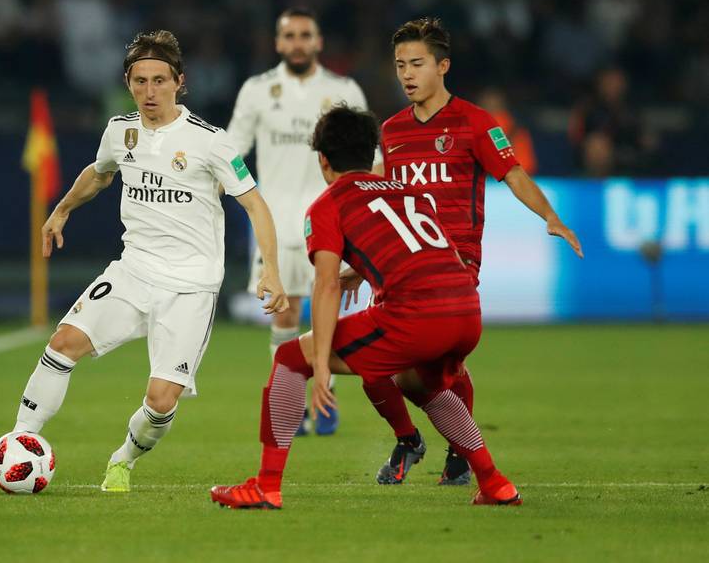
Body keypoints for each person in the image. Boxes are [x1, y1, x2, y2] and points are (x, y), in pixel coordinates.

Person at [0, 30, 288, 492]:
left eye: (159, 80)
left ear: (179, 82)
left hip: (190, 288)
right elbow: (100, 173)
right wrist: (62, 209)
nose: (150, 91)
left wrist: (270, 268)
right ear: (128, 83)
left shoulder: (211, 142)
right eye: (140, 81)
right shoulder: (120, 130)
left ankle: (123, 459)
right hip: (133, 271)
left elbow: (255, 203)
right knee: (63, 342)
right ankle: (17, 440)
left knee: (161, 400)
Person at [210, 105, 521, 509]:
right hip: (466, 309)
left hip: (416, 315)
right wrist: (359, 273)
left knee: (289, 357)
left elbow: (324, 285)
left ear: (323, 160)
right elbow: (421, 249)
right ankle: (495, 483)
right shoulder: (409, 192)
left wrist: (319, 363)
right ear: (370, 152)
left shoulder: (328, 205)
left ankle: (266, 485)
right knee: (421, 382)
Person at [361, 17, 582, 487]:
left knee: (409, 366)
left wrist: (550, 216)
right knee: (412, 370)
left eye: (416, 63)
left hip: (455, 266)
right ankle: (442, 448)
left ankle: (429, 445)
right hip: (403, 266)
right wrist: (360, 262)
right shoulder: (393, 131)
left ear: (442, 66)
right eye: (400, 65)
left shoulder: (476, 123)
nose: (406, 74)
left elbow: (515, 175)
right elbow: (389, 201)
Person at [227, 7, 374, 436]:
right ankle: (290, 406)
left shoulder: (344, 89)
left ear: (318, 41)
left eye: (304, 34)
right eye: (288, 35)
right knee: (284, 313)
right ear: (278, 43)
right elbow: (232, 152)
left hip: (334, 219)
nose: (297, 42)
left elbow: (372, 157)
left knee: (329, 311)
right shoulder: (258, 90)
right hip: (276, 222)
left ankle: (325, 399)